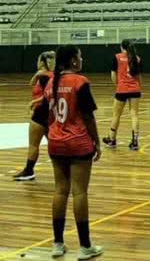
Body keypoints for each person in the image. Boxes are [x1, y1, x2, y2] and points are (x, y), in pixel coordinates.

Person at [32, 45, 104, 259]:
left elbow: (44, 114)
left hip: (56, 143)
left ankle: (57, 243)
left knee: (59, 191)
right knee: (79, 192)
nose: (82, 59)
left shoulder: (51, 82)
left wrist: (55, 132)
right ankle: (84, 246)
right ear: (73, 60)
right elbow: (88, 117)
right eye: (80, 56)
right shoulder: (80, 82)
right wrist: (97, 142)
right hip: (78, 142)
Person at [13, 51, 55, 181]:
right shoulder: (44, 75)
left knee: (34, 144)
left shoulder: (45, 77)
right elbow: (31, 84)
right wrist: (37, 75)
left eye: (38, 60)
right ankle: (64, 170)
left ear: (42, 62)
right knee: (53, 145)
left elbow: (49, 95)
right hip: (46, 113)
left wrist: (34, 102)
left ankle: (29, 170)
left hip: (42, 113)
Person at [102, 39, 142, 150]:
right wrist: (139, 87)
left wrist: (118, 85)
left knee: (116, 115)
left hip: (122, 89)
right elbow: (138, 76)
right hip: (135, 89)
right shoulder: (136, 58)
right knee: (134, 114)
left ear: (121, 47)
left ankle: (112, 139)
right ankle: (135, 142)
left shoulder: (117, 57)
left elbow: (113, 75)